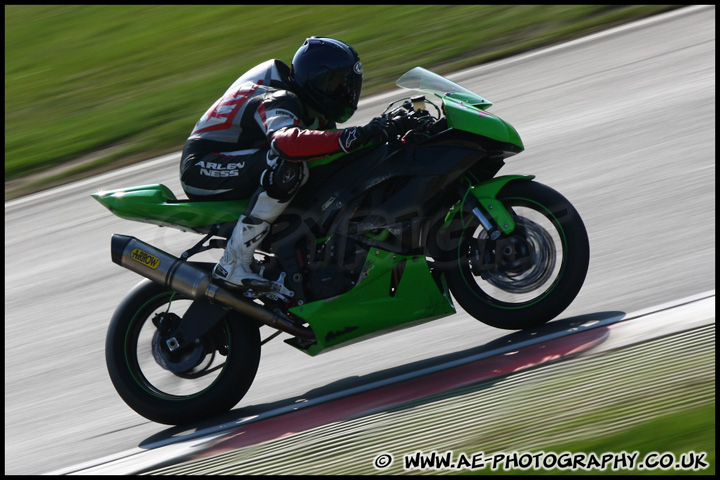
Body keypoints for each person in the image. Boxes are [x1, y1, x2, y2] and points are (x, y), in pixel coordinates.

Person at [180, 36, 415, 289]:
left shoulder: (311, 110)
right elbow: (286, 143)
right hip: (203, 166)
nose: (345, 92)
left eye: (349, 84)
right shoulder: (277, 96)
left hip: (245, 159)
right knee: (287, 167)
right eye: (335, 84)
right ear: (314, 80)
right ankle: (233, 263)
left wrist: (387, 131)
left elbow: (334, 152)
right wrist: (355, 135)